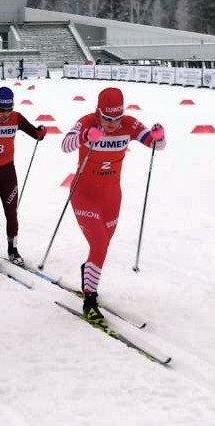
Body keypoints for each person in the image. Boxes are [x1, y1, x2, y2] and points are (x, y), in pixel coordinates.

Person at [60, 87, 166, 324]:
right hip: (84, 193)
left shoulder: (128, 124)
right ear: (99, 112)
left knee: (103, 245)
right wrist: (85, 136)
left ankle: (88, 272)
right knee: (98, 243)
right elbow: (65, 145)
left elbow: (156, 145)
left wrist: (159, 136)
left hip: (111, 197)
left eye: (117, 118)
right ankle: (90, 300)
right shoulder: (87, 121)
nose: (112, 124)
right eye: (107, 119)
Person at [0, 86, 47, 269]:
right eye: (1, 109)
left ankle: (13, 249)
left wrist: (41, 132)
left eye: (9, 109)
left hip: (8, 172)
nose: (5, 114)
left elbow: (35, 134)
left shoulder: (16, 118)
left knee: (11, 212)